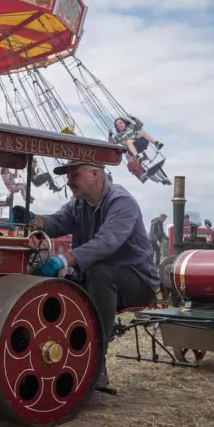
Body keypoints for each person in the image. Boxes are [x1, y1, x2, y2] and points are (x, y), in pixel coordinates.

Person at [29, 160, 160, 391]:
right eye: (68, 176)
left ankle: (96, 363)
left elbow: (106, 242)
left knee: (100, 273)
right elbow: (57, 222)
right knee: (63, 283)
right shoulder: (78, 204)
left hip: (137, 279)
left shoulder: (121, 202)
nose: (68, 182)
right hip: (99, 275)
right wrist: (33, 220)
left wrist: (65, 259)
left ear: (96, 174)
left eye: (74, 175)